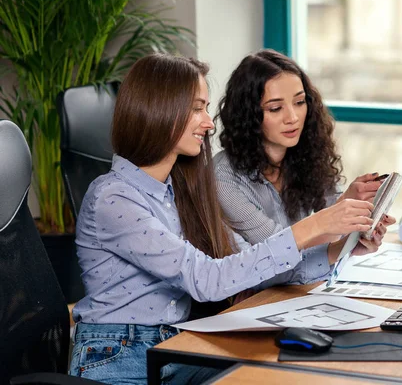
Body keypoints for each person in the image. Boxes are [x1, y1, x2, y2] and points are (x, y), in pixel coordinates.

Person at [68, 54, 379, 385]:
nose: (209, 123)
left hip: (171, 345)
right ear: (161, 110)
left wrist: (336, 250)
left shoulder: (179, 189)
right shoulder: (114, 198)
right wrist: (313, 228)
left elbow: (243, 268)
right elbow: (206, 280)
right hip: (117, 355)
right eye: (197, 108)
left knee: (287, 375)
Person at [214, 49, 395, 271]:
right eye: (275, 108)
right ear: (248, 115)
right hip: (259, 296)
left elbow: (331, 233)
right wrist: (341, 210)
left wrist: (360, 229)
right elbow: (275, 251)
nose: (293, 117)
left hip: (301, 290)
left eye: (300, 102)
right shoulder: (223, 178)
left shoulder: (307, 156)